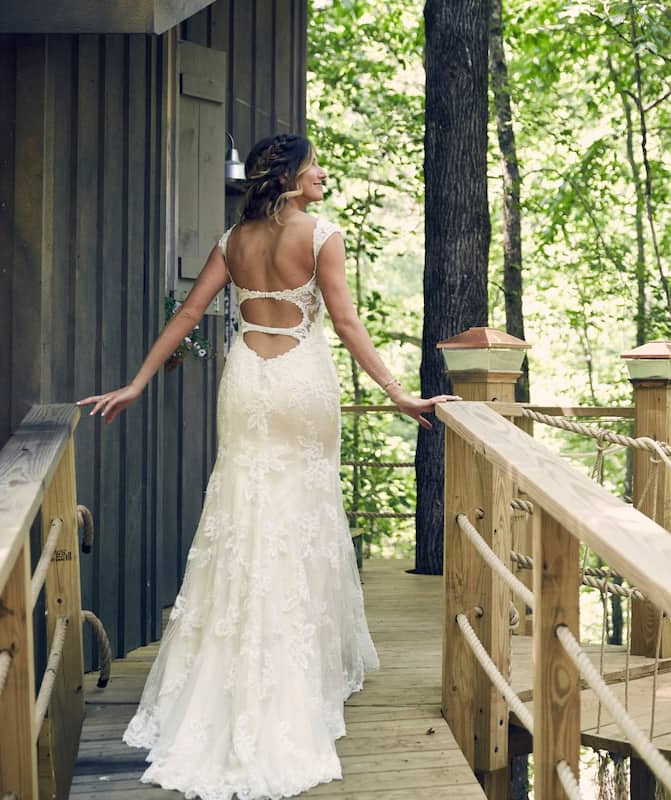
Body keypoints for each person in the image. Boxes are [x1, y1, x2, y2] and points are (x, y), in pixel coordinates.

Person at [77, 133, 458, 799]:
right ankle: (297, 672)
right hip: (303, 382)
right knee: (305, 513)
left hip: (249, 380)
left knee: (244, 508)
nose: (322, 174)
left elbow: (189, 315)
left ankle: (239, 663)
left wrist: (137, 382)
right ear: (289, 175)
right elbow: (345, 324)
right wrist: (399, 395)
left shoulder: (233, 240)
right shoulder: (322, 236)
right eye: (313, 165)